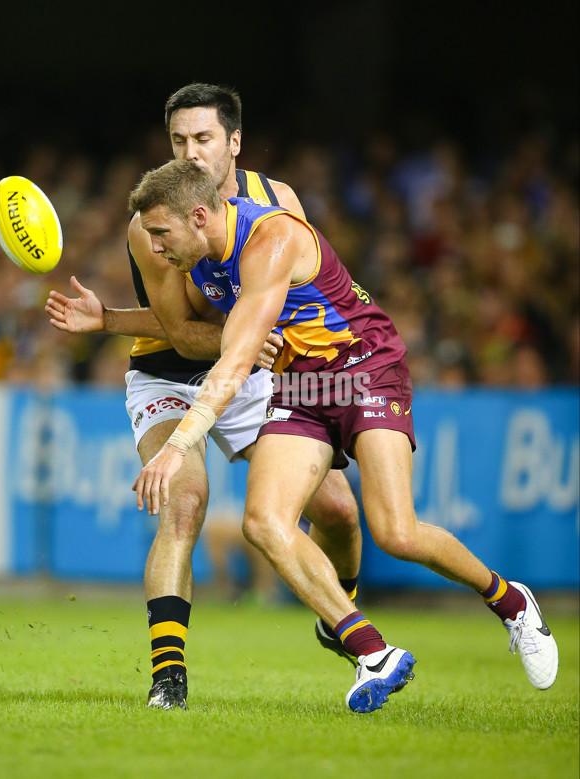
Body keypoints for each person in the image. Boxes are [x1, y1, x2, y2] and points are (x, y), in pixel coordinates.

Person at [129, 159, 559, 713]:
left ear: (198, 215)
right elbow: (177, 329)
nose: (155, 248)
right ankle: (373, 653)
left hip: (366, 368)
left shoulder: (271, 238)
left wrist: (178, 444)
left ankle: (512, 602)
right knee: (262, 522)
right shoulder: (203, 258)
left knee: (396, 532)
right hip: (301, 385)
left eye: (161, 233)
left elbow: (235, 363)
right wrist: (103, 320)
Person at [46, 84, 363, 710]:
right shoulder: (150, 223)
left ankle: (340, 612)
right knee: (185, 501)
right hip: (170, 372)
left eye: (203, 138)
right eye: (178, 140)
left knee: (340, 511)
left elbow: (309, 297)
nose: (189, 152)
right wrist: (244, 337)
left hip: (248, 367)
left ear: (234, 142)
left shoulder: (279, 203)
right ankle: (169, 678)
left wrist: (110, 318)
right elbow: (183, 336)